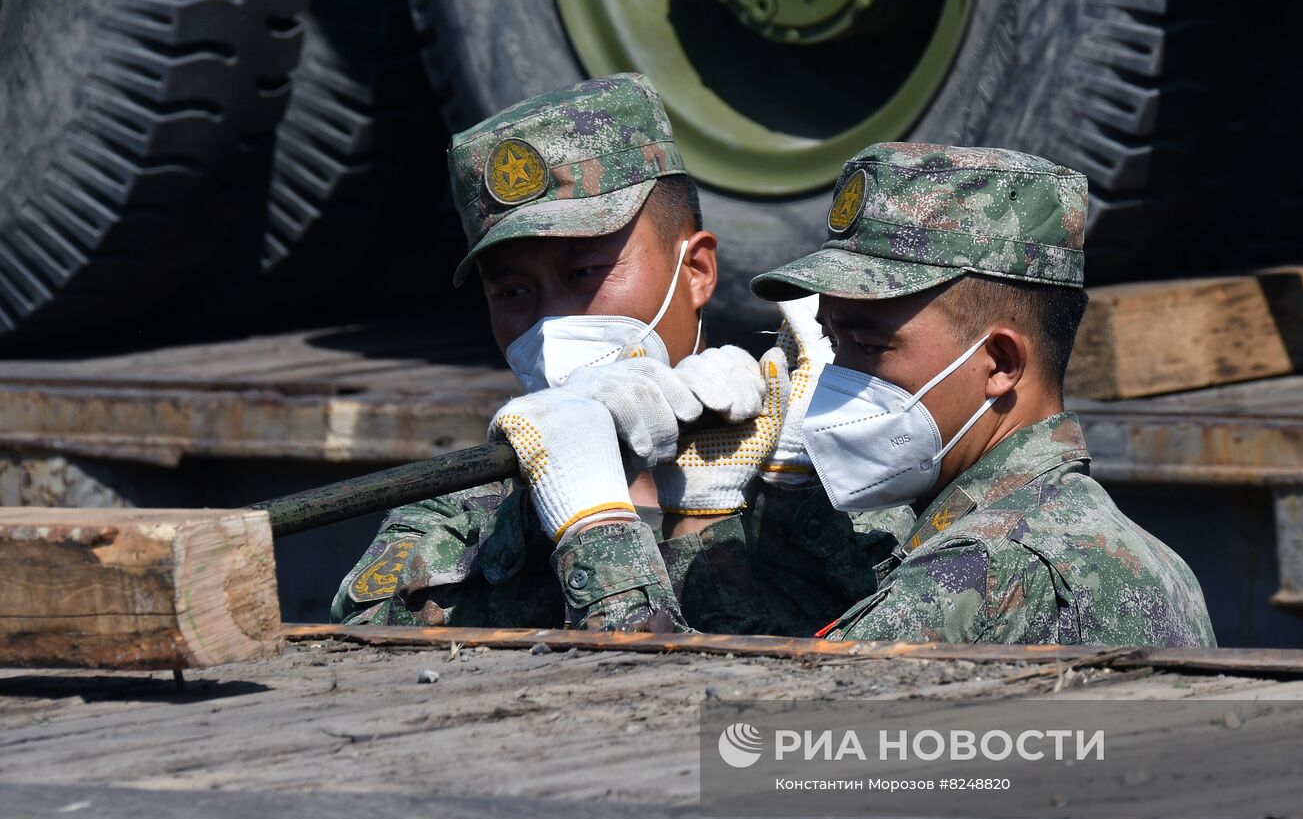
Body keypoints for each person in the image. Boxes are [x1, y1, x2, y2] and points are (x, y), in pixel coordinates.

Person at [511, 140, 1215, 647]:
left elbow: (730, 749)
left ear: (999, 361)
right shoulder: (1059, 530)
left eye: (869, 344)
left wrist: (598, 531)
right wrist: (732, 513)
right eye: (830, 341)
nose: (832, 378)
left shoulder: (997, 567)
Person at [331, 74, 910, 633]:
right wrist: (561, 507)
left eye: (584, 272)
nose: (552, 321)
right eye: (512, 292)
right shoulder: (470, 507)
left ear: (697, 270)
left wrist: (736, 511)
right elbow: (361, 652)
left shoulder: (824, 473)